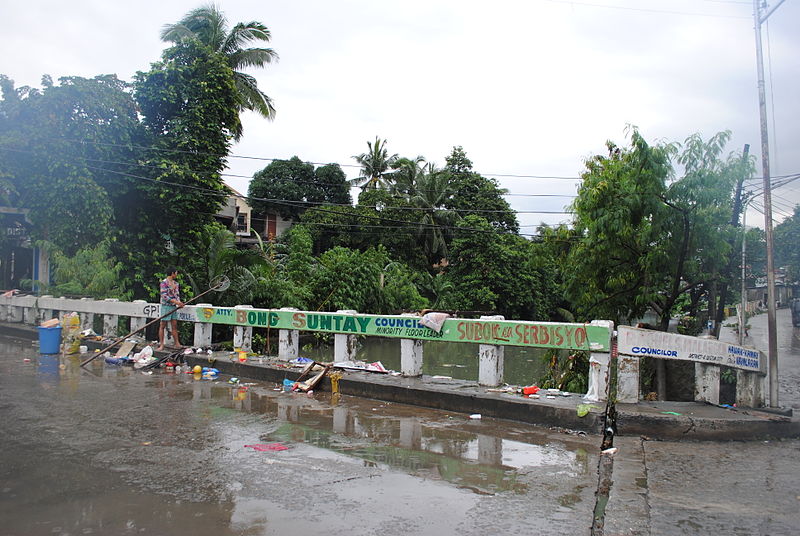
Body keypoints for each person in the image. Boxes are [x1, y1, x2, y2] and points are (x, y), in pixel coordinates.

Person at [158, 267, 184, 350]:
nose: (176, 274)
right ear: (172, 273)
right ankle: (161, 344)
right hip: (165, 306)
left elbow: (177, 295)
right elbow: (164, 296)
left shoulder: (176, 284)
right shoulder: (164, 283)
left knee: (174, 325)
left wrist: (179, 303)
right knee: (162, 325)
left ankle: (177, 343)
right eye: (176, 273)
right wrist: (176, 302)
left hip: (173, 307)